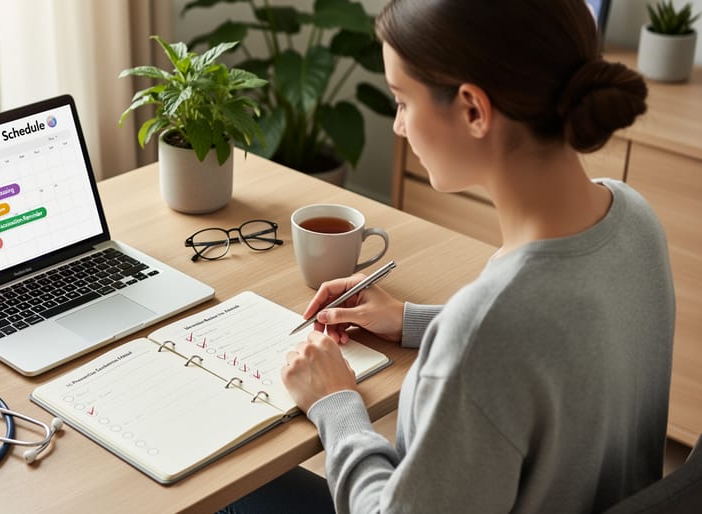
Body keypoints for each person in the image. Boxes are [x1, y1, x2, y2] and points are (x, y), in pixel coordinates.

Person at [221, 0, 676, 512]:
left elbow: (495, 339)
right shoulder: (634, 216)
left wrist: (336, 404)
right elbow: (554, 333)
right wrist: (414, 321)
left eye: (402, 101)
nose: (397, 126)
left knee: (228, 489)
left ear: (473, 110)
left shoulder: (482, 333)